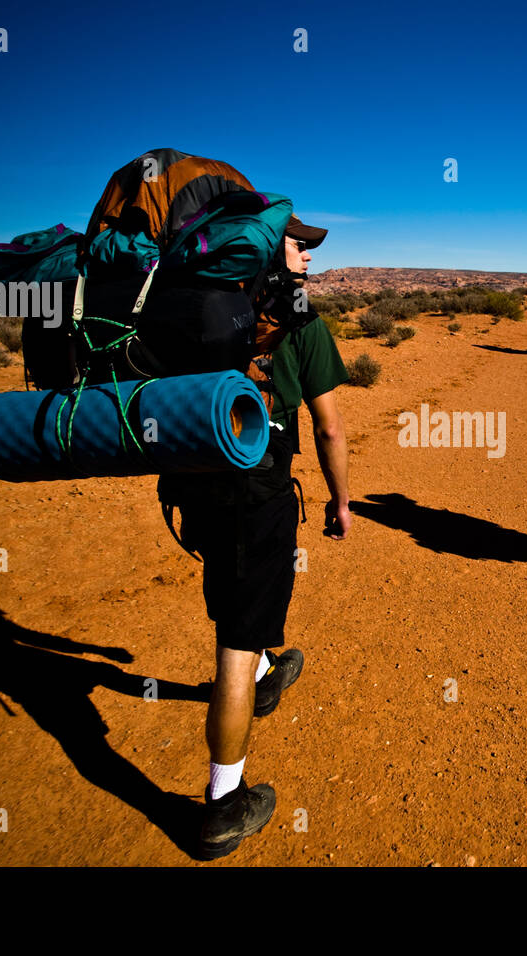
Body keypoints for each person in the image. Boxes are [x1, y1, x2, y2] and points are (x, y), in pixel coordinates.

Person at [162, 214, 352, 859]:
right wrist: (341, 499)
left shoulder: (185, 311)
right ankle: (223, 801)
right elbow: (329, 429)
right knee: (235, 642)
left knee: (235, 592)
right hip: (258, 497)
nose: (305, 256)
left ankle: (269, 668)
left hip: (193, 493)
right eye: (298, 245)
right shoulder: (299, 325)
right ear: (273, 252)